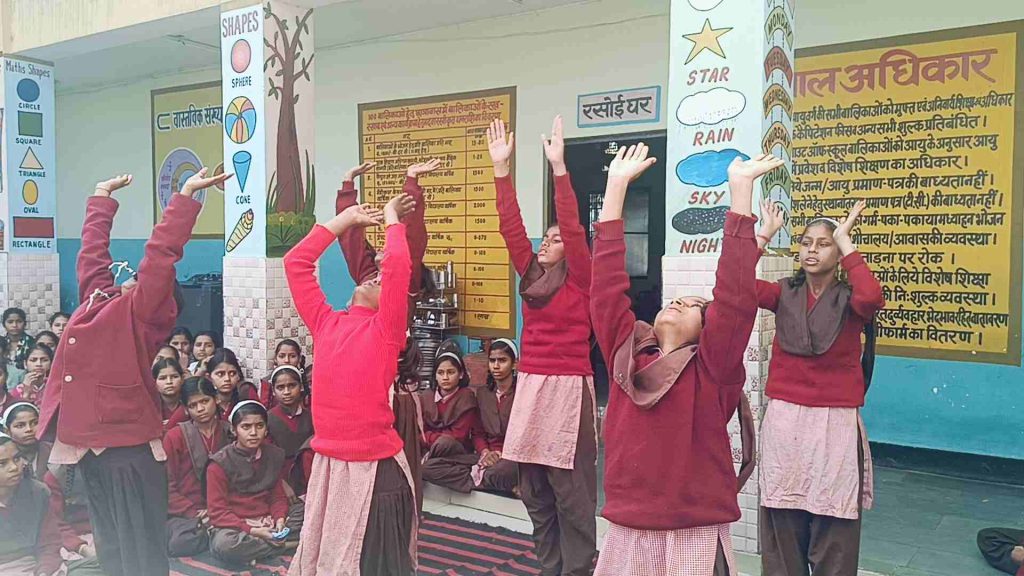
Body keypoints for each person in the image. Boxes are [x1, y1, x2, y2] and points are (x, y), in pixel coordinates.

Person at [36, 169, 230, 576]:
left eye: (141, 281)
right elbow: (92, 256)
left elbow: (161, 256)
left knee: (139, 552)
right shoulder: (99, 300)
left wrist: (185, 197)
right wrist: (101, 198)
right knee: (112, 548)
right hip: (92, 449)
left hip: (128, 451)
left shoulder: (141, 315)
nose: (132, 280)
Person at [590, 145, 771, 575]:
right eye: (674, 300)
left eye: (692, 306)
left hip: (694, 530)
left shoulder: (713, 369)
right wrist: (615, 188)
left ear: (707, 331)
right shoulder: (627, 355)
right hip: (629, 526)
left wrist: (740, 194)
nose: (678, 304)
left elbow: (735, 297)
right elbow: (605, 289)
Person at [285, 193, 419, 575]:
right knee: (332, 560)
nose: (376, 275)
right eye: (374, 274)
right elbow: (296, 263)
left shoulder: (386, 332)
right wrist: (342, 222)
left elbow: (398, 267)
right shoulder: (326, 322)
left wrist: (392, 219)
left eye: (383, 280)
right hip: (330, 464)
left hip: (376, 473)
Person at [488, 115, 597, 575]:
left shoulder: (583, 279)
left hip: (569, 388)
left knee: (571, 494)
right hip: (532, 386)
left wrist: (559, 168)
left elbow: (571, 225)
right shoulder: (532, 277)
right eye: (545, 238)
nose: (548, 242)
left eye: (556, 239)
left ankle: (579, 569)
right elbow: (511, 227)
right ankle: (549, 566)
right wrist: (501, 169)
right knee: (534, 490)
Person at [755, 200, 885, 576]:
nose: (812, 250)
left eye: (823, 243)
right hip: (786, 419)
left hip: (834, 420)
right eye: (806, 242)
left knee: (834, 516)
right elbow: (736, 285)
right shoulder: (783, 292)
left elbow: (872, 298)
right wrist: (763, 234)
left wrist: (846, 242)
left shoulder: (850, 300)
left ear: (838, 252)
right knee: (783, 510)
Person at [207, 401, 303, 566]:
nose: (253, 433)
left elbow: (277, 496)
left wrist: (280, 520)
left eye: (259, 426)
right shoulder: (219, 464)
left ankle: (262, 549)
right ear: (234, 430)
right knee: (224, 545)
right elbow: (218, 511)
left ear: (266, 429)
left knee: (305, 510)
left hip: (268, 519)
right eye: (246, 427)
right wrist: (254, 531)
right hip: (238, 525)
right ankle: (287, 545)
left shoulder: (273, 455)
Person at [335, 159, 438, 307]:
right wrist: (348, 182)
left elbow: (412, 237)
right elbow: (349, 238)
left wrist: (411, 182)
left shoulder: (402, 286)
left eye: (389, 247)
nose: (383, 247)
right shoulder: (369, 277)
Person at [163, 377, 232, 558]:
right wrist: (192, 512)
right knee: (180, 542)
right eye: (193, 405)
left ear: (216, 399)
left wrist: (218, 510)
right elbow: (166, 485)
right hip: (187, 513)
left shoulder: (230, 431)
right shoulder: (175, 436)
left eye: (205, 401)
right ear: (186, 409)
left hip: (223, 508)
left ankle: (216, 533)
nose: (200, 409)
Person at [420, 351, 488, 491]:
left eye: (451, 372)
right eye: (440, 373)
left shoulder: (466, 397)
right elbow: (419, 431)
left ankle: (427, 462)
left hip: (457, 451)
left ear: (461, 374)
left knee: (444, 443)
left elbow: (458, 435)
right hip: (430, 449)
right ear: (435, 376)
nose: (445, 377)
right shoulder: (426, 396)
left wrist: (429, 438)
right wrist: (428, 439)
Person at [472, 338, 521, 495]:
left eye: (502, 360)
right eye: (492, 361)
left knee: (500, 471)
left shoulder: (522, 394)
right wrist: (485, 452)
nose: (496, 366)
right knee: (433, 467)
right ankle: (509, 486)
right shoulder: (483, 394)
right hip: (488, 455)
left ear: (514, 364)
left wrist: (501, 454)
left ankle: (479, 479)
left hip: (513, 457)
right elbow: (478, 433)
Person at [266, 365, 314, 498]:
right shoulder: (268, 419)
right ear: (273, 391)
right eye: (280, 387)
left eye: (292, 386)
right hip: (280, 479)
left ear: (301, 387)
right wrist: (281, 484)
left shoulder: (310, 417)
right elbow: (267, 458)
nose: (286, 392)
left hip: (307, 477)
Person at [205, 348, 256, 420]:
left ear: (238, 376)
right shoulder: (204, 399)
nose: (227, 379)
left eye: (232, 373)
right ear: (209, 377)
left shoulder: (245, 391)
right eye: (220, 374)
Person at [4, 402, 50, 479]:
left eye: (35, 423)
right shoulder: (3, 456)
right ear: (7, 431)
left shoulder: (52, 450)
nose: (29, 429)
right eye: (20, 426)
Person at [258, 339, 307, 408]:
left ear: (299, 359)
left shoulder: (306, 380)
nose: (287, 360)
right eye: (281, 356)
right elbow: (264, 408)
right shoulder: (267, 382)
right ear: (275, 359)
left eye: (292, 356)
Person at [153, 358, 187, 433]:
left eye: (174, 376)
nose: (169, 382)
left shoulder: (188, 402)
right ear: (154, 382)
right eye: (163, 378)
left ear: (182, 379)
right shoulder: (150, 405)